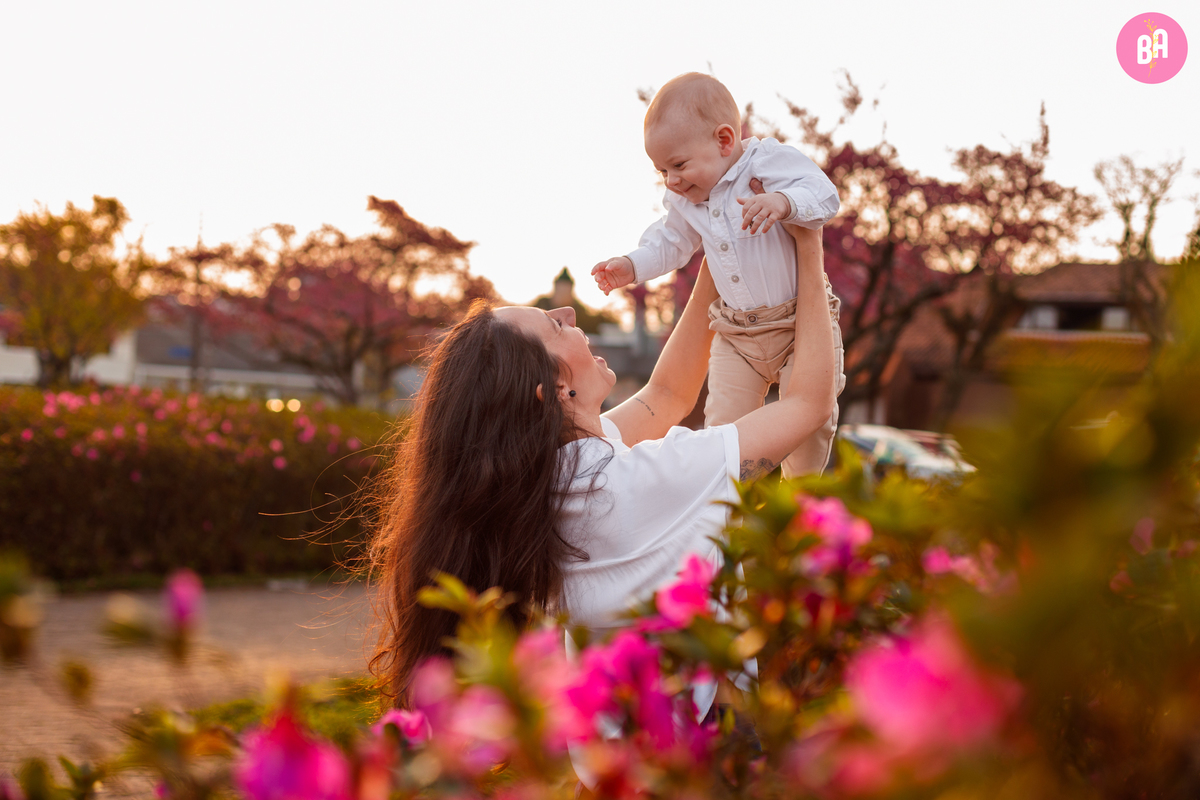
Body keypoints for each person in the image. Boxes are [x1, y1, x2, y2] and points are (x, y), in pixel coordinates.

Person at [369, 216, 835, 713]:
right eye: (554, 325)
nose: (569, 311)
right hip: (699, 761)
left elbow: (667, 395)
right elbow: (808, 404)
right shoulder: (640, 483)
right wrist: (810, 249)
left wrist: (717, 252)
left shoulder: (556, 481)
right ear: (551, 392)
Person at [591, 72, 844, 478]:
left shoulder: (765, 162)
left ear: (725, 141)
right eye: (662, 171)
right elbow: (670, 240)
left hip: (800, 325)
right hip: (737, 333)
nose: (672, 181)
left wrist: (783, 201)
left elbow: (825, 195)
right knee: (723, 432)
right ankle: (725, 507)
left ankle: (802, 498)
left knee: (810, 427)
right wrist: (633, 264)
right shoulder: (687, 198)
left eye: (678, 165)